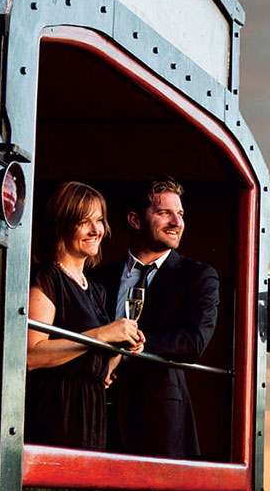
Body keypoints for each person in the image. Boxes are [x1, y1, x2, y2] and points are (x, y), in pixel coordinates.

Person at [98, 177, 218, 459]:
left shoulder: (199, 276)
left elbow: (193, 341)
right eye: (165, 213)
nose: (177, 222)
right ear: (135, 220)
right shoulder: (99, 278)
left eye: (180, 214)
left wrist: (128, 351)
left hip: (158, 419)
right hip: (97, 409)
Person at [25, 181, 144, 450]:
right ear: (62, 225)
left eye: (100, 220)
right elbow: (31, 355)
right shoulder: (47, 277)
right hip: (57, 413)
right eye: (84, 221)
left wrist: (120, 349)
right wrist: (102, 335)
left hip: (91, 412)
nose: (96, 230)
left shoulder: (96, 289)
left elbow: (95, 365)